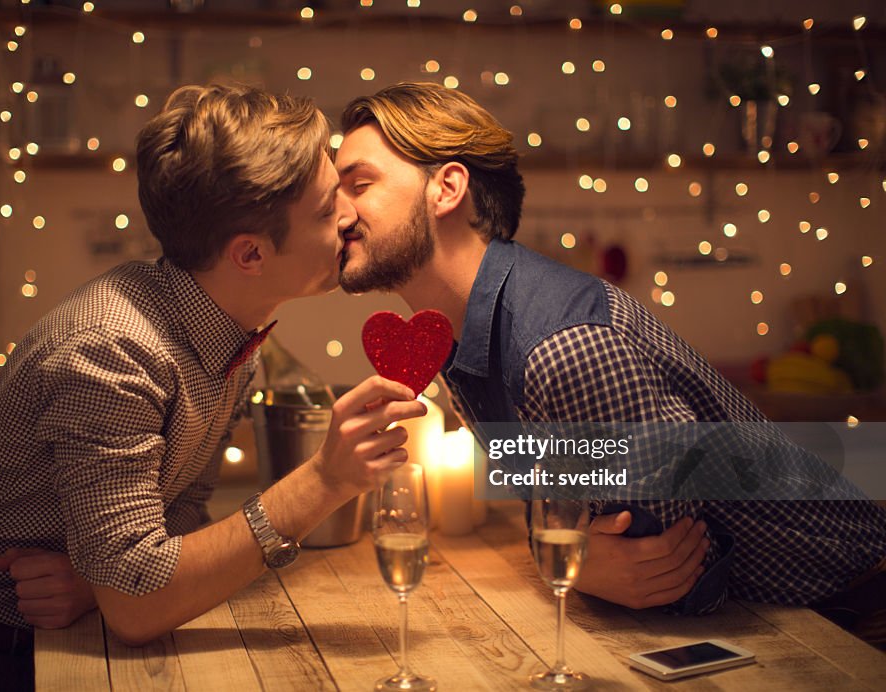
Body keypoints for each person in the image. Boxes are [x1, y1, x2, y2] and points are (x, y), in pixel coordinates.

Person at [0, 82, 426, 689]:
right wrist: (325, 479)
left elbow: (173, 522)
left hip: (19, 636)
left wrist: (99, 581)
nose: (348, 216)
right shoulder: (112, 353)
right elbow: (136, 611)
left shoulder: (228, 334)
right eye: (324, 209)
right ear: (249, 255)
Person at [333, 82, 886, 639]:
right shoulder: (468, 331)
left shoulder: (562, 348)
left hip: (851, 617)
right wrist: (566, 546)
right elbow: (561, 500)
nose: (337, 213)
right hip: (778, 621)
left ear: (447, 188)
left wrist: (573, 557)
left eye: (358, 184)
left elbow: (668, 574)